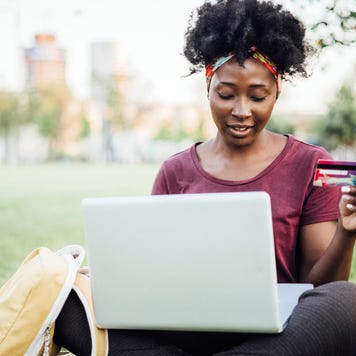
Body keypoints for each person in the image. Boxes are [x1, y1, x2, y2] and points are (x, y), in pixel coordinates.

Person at [54, 0, 356, 355]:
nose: (241, 111)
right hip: (186, 329)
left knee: (346, 298)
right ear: (208, 87)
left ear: (277, 91)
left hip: (279, 335)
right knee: (64, 301)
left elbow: (318, 289)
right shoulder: (175, 171)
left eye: (258, 96)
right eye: (226, 94)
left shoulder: (311, 164)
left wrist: (347, 233)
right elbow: (157, 274)